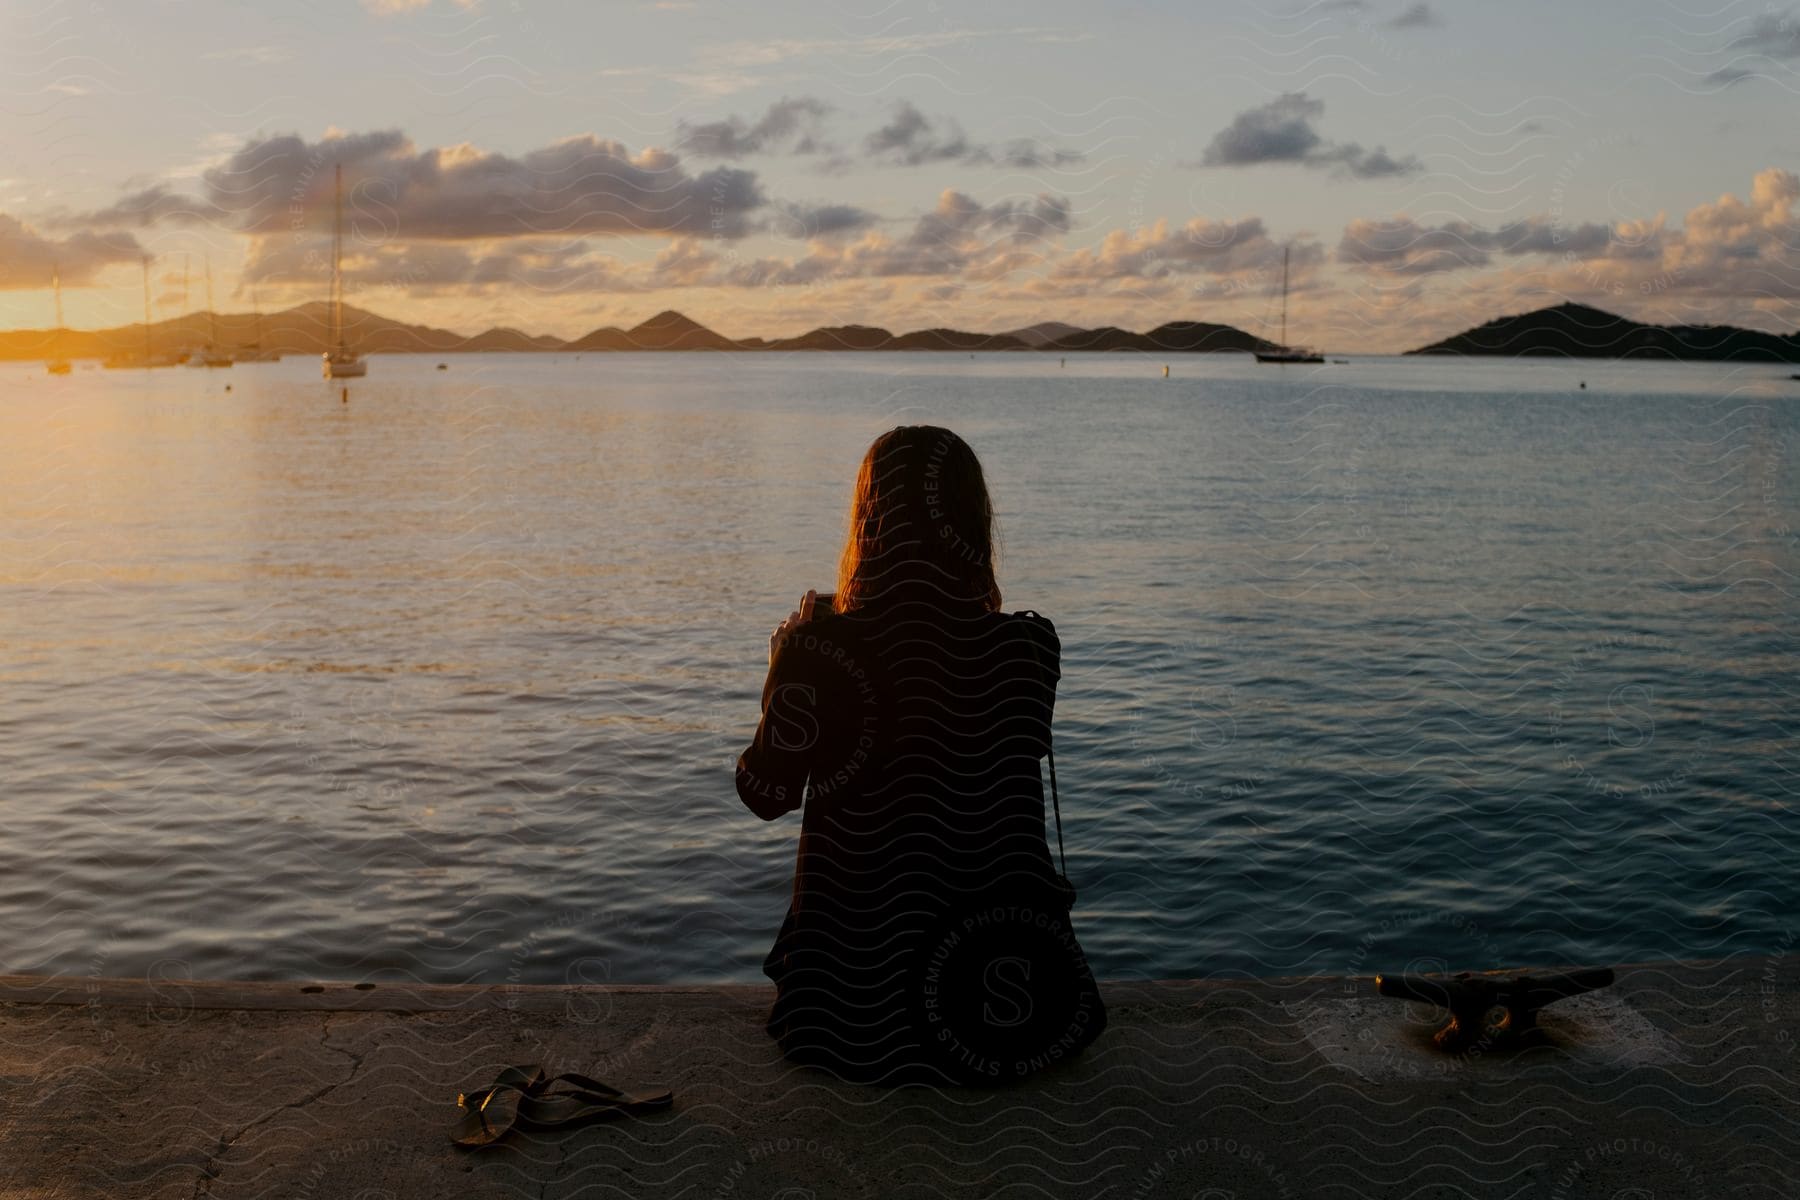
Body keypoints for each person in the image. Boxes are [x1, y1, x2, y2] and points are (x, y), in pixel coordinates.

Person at [735, 425, 1106, 1086]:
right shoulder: (1030, 648)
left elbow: (765, 794)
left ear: (869, 523)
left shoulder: (819, 650)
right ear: (974, 524)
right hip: (1010, 1018)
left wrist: (784, 664)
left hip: (847, 1019)